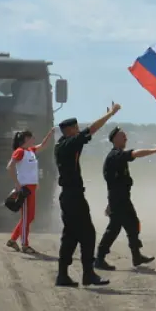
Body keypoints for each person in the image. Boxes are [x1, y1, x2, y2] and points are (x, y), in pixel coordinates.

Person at [53, 103, 120, 288]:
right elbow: (91, 130)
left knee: (70, 236)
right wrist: (110, 114)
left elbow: (86, 133)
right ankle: (88, 274)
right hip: (73, 198)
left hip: (69, 197)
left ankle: (63, 275)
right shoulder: (68, 145)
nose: (77, 131)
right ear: (68, 131)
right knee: (88, 235)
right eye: (75, 129)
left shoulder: (64, 145)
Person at [94, 127, 156, 271]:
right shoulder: (115, 155)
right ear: (115, 139)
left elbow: (114, 181)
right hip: (118, 200)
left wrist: (110, 203)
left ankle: (136, 255)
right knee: (113, 229)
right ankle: (100, 258)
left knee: (133, 224)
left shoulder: (117, 156)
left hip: (122, 199)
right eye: (123, 137)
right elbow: (135, 153)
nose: (126, 139)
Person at [6, 127, 55, 254]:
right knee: (27, 217)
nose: (34, 139)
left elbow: (43, 145)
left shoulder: (31, 150)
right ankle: (24, 244)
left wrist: (50, 134)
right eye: (31, 137)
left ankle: (13, 239)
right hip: (25, 188)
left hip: (31, 187)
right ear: (26, 139)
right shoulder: (20, 151)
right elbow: (10, 167)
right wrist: (17, 184)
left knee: (29, 216)